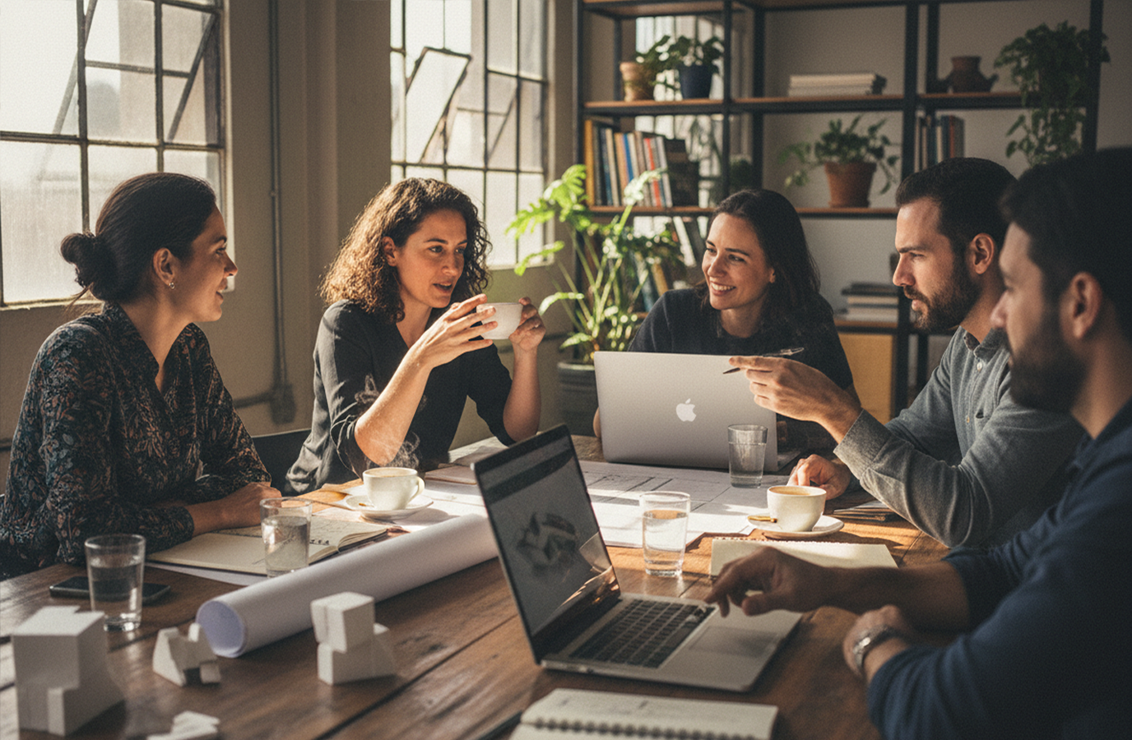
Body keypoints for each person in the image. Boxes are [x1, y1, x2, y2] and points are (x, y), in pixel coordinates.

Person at [708, 148, 1132, 740]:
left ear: (1081, 304)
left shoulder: (1118, 503)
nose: (1001, 315)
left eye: (1012, 287)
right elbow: (1003, 570)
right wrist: (829, 582)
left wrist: (873, 639)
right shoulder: (1103, 459)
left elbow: (938, 710)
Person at [729, 158, 1082, 548]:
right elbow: (914, 436)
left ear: (980, 254)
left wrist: (833, 410)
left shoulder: (1043, 363)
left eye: (916, 255)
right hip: (985, 573)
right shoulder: (965, 347)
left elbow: (965, 513)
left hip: (1028, 590)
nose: (899, 277)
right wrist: (845, 469)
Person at [0, 173, 277, 578]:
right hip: (45, 595)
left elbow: (250, 479)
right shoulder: (77, 354)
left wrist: (142, 516)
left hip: (154, 569)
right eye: (219, 250)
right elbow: (87, 534)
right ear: (166, 264)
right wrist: (216, 512)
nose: (232, 267)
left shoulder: (189, 347)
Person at [287, 178, 544, 493]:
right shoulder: (345, 324)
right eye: (436, 249)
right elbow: (366, 459)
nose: (452, 266)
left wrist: (526, 352)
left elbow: (518, 433)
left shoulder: (461, 323)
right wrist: (422, 359)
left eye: (460, 250)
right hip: (330, 504)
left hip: (416, 497)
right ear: (390, 251)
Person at [594, 189, 856, 445]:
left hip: (776, 480)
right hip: (673, 474)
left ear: (774, 269)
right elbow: (603, 423)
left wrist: (781, 434)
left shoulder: (806, 317)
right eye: (711, 250)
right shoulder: (673, 313)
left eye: (734, 258)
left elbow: (851, 424)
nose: (713, 269)